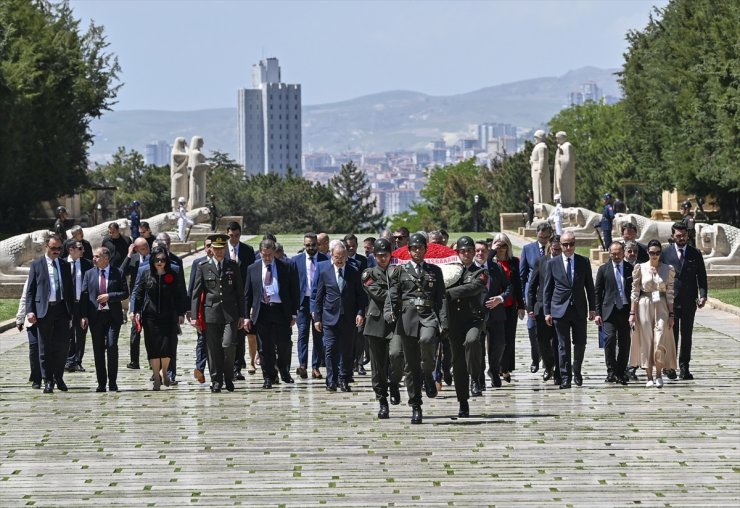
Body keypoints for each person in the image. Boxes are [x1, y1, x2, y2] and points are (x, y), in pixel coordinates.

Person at [385, 233, 447, 424]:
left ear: (425, 249)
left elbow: (441, 298)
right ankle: (416, 405)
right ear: (409, 250)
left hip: (428, 316)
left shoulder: (434, 271)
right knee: (411, 366)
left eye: (420, 247)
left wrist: (444, 322)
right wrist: (390, 313)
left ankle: (428, 373)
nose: (417, 251)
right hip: (407, 319)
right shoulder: (399, 271)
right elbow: (393, 295)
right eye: (414, 248)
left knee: (428, 341)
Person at [190, 234, 245, 392]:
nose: (219, 251)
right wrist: (194, 317)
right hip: (211, 313)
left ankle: (228, 377)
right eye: (216, 249)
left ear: (225, 249)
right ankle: (216, 380)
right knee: (213, 349)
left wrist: (242, 315)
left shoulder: (232, 265)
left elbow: (239, 292)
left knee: (228, 345)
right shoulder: (203, 266)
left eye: (222, 248)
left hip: (230, 313)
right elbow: (196, 293)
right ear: (211, 249)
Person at [244, 239, 299, 389]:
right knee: (264, 348)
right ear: (260, 253)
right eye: (264, 255)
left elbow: (294, 291)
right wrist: (247, 317)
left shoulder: (286, 267)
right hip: (262, 310)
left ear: (274, 252)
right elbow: (247, 295)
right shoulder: (252, 268)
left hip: (281, 310)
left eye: (270, 255)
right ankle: (268, 376)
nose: (267, 258)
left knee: (284, 345)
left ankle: (284, 370)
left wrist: (294, 314)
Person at [544, 231, 596, 389]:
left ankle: (577, 370)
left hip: (579, 309)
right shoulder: (552, 264)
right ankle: (565, 376)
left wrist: (593, 309)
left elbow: (590, 287)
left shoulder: (583, 261)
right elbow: (547, 289)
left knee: (580, 343)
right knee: (562, 345)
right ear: (560, 245)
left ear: (575, 244)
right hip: (560, 309)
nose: (568, 247)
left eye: (571, 244)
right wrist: (547, 312)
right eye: (565, 244)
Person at [313, 240, 365, 393]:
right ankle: (331, 380)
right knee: (330, 349)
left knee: (347, 351)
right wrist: (317, 318)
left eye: (343, 256)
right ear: (331, 255)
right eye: (337, 256)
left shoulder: (354, 272)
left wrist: (360, 313)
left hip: (349, 318)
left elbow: (360, 296)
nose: (340, 259)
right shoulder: (325, 272)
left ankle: (344, 379)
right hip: (329, 317)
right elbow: (319, 296)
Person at [132, 246, 187, 390]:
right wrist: (136, 311)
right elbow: (138, 293)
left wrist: (181, 313)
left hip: (169, 316)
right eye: (157, 260)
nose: (160, 263)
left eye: (163, 260)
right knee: (154, 347)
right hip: (150, 316)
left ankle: (165, 371)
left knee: (167, 347)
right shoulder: (145, 272)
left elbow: (179, 294)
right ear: (152, 260)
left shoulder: (173, 272)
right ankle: (156, 376)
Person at [25, 235, 74, 394]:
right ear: (47, 247)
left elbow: (70, 291)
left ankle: (58, 377)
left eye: (59, 248)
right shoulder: (37, 264)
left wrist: (73, 313)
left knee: (63, 346)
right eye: (53, 248)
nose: (56, 251)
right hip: (43, 310)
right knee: (44, 346)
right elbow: (30, 291)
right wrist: (30, 311)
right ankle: (48, 380)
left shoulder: (65, 265)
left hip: (61, 309)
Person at [445, 236, 487, 417]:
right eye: (463, 251)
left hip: (473, 319)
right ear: (458, 253)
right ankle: (463, 401)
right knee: (458, 364)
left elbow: (474, 288)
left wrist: (447, 293)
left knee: (472, 341)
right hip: (455, 322)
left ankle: (476, 374)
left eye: (470, 251)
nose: (467, 254)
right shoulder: (449, 272)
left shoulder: (480, 272)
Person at [660, 222, 707, 380]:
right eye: (678, 236)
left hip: (688, 301)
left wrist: (703, 294)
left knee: (686, 335)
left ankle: (684, 367)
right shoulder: (665, 254)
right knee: (671, 335)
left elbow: (701, 276)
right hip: (670, 301)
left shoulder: (695, 253)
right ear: (673, 237)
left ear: (688, 236)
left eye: (684, 235)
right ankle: (670, 366)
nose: (682, 238)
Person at [80, 246, 129, 392]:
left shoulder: (117, 272)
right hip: (96, 317)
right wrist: (83, 315)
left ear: (106, 258)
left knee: (112, 346)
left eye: (97, 256)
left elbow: (125, 293)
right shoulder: (89, 274)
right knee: (98, 349)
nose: (94, 259)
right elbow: (84, 295)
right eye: (94, 256)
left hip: (112, 316)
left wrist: (110, 296)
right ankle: (101, 382)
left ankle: (112, 381)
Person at [630, 240, 676, 388]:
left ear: (660, 253)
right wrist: (632, 312)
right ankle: (649, 375)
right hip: (644, 303)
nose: (654, 256)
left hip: (661, 303)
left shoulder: (667, 269)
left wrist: (671, 314)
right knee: (647, 340)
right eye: (651, 253)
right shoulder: (640, 268)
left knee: (660, 337)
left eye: (657, 253)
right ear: (648, 253)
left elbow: (669, 292)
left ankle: (659, 374)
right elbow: (635, 291)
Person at [361, 238, 398, 418]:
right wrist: (396, 294)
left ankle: (395, 385)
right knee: (378, 367)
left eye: (386, 255)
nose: (383, 258)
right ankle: (382, 400)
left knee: (397, 358)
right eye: (379, 255)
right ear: (374, 256)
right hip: (376, 324)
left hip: (395, 323)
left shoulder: (398, 272)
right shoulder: (369, 274)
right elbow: (378, 293)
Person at [595, 241, 633, 385]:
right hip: (609, 311)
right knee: (609, 339)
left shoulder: (631, 269)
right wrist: (597, 312)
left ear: (624, 253)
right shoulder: (603, 269)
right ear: (609, 254)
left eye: (618, 253)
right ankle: (611, 371)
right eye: (613, 254)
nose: (616, 256)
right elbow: (597, 292)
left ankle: (621, 371)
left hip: (625, 310)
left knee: (625, 343)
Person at [490, 233, 525, 383]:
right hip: (494, 306)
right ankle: (494, 368)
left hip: (510, 305)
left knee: (509, 340)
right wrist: (492, 251)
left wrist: (521, 306)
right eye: (498, 245)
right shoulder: (490, 262)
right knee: (496, 340)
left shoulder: (514, 262)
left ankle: (505, 367)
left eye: (504, 245)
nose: (501, 249)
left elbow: (518, 285)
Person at [292, 233, 328, 380]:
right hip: (303, 302)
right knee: (302, 334)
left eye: (313, 244)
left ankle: (315, 367)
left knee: (318, 334)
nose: (311, 247)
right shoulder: (296, 260)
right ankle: (302, 365)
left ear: (317, 245)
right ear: (304, 245)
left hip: (319, 302)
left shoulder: (325, 259)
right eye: (308, 245)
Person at [526, 236, 561, 385]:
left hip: (560, 307)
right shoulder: (541, 262)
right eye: (555, 249)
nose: (558, 251)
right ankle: (549, 365)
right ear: (550, 248)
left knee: (559, 341)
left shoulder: (566, 263)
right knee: (542, 341)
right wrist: (530, 307)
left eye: (560, 249)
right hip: (541, 307)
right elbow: (532, 286)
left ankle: (559, 371)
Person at [224, 221, 256, 380]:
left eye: (237, 236)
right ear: (227, 234)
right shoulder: (221, 250)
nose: (234, 239)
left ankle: (237, 367)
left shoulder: (247, 250)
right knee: (226, 337)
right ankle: (226, 366)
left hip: (242, 299)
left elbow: (251, 276)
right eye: (231, 236)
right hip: (226, 299)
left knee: (240, 334)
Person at [519, 222, 553, 374]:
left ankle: (548, 362)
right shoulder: (528, 249)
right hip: (532, 294)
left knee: (549, 330)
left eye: (546, 237)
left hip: (550, 295)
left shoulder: (554, 249)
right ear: (537, 235)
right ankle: (535, 359)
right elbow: (523, 274)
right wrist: (524, 298)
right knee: (533, 329)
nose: (544, 240)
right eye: (541, 237)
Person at [64, 240, 93, 373]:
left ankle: (78, 361)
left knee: (81, 333)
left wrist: (85, 312)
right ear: (71, 249)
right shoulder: (62, 263)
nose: (83, 250)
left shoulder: (87, 264)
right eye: (80, 248)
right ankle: (69, 361)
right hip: (67, 306)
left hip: (81, 304)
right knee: (68, 334)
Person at [121, 237, 151, 370]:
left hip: (150, 301)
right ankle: (134, 361)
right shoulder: (133, 259)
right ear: (136, 249)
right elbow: (121, 272)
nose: (146, 251)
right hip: (136, 300)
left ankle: (152, 362)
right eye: (142, 249)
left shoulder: (154, 259)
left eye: (147, 247)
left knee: (150, 334)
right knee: (135, 332)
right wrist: (128, 254)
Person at [187, 237, 214, 383]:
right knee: (202, 340)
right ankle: (200, 368)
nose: (210, 248)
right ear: (204, 248)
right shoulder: (198, 263)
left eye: (212, 245)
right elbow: (192, 288)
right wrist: (190, 311)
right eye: (208, 246)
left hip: (217, 310)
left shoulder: (224, 262)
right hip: (201, 310)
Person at [343, 233, 368, 375]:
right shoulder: (340, 260)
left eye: (353, 245)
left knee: (360, 333)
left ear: (357, 246)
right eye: (348, 246)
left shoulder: (362, 261)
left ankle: (359, 362)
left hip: (360, 301)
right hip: (346, 303)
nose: (351, 248)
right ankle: (350, 362)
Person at [16, 277, 42, 389]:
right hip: (32, 319)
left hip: (48, 318)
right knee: (34, 346)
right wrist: (20, 318)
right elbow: (24, 298)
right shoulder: (31, 277)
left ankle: (49, 375)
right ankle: (36, 377)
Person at [529, 129, 550, 204]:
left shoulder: (542, 147)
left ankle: (541, 204)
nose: (535, 139)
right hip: (535, 168)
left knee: (540, 188)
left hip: (538, 169)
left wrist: (541, 169)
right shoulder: (538, 146)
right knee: (536, 189)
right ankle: (538, 203)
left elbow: (542, 159)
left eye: (536, 137)